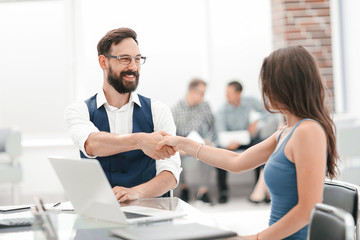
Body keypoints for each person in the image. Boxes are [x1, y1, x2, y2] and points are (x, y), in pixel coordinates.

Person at [157, 46, 339, 239]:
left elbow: (307, 209)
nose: (266, 91)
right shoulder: (286, 132)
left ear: (286, 85)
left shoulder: (307, 131)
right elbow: (237, 162)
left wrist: (255, 238)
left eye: (269, 83)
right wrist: (184, 143)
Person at [64, 27, 181, 203]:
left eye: (137, 59)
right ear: (103, 62)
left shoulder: (159, 111)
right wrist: (140, 140)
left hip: (151, 214)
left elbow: (170, 173)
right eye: (125, 59)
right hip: (100, 212)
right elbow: (92, 144)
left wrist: (136, 192)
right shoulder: (79, 110)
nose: (133, 67)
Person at [215, 80, 278, 204]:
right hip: (230, 142)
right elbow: (220, 133)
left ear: (239, 93)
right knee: (219, 153)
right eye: (226, 93)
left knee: (262, 148)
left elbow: (269, 112)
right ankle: (223, 191)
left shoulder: (249, 101)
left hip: (247, 138)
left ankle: (259, 187)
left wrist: (257, 122)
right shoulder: (222, 110)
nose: (226, 96)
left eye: (229, 93)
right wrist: (228, 143)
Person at [171, 78, 216, 204]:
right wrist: (179, 147)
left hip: (199, 142)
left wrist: (208, 140)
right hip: (182, 144)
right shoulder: (176, 109)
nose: (203, 97)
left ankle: (203, 191)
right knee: (175, 156)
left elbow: (211, 126)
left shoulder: (204, 106)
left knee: (209, 153)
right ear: (191, 91)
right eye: (201, 93)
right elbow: (171, 132)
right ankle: (184, 188)